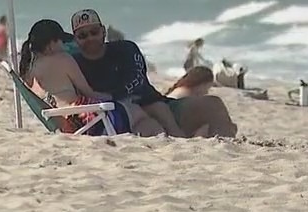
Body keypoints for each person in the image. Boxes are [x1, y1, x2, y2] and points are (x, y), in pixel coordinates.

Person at [70, 8, 237, 138]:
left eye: (94, 32)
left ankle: (224, 154)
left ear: (103, 32)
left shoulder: (125, 49)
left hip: (160, 105)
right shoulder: (73, 63)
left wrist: (110, 95)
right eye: (83, 35)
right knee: (154, 123)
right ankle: (187, 140)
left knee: (213, 105)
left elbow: (136, 79)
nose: (90, 38)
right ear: (75, 39)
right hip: (128, 117)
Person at [20, 19, 164, 137]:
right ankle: (161, 143)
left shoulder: (30, 70)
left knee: (133, 114)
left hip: (62, 121)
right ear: (51, 44)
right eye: (60, 41)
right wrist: (113, 97)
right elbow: (88, 92)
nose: (63, 45)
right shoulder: (63, 59)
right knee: (139, 113)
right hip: (85, 120)